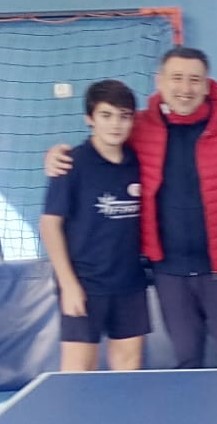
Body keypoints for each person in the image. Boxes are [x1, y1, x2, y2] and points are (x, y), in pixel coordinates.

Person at [45, 47, 217, 368]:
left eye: (195, 79)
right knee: (186, 359)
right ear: (160, 81)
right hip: (168, 271)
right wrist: (58, 154)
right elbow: (102, 143)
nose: (185, 88)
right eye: (177, 78)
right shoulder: (138, 127)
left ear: (207, 85)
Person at [40, 80, 149, 371]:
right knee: (78, 373)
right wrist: (69, 285)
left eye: (124, 116)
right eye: (106, 115)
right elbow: (50, 225)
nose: (116, 124)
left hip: (130, 284)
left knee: (129, 371)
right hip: (84, 285)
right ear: (90, 118)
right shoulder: (70, 164)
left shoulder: (140, 162)